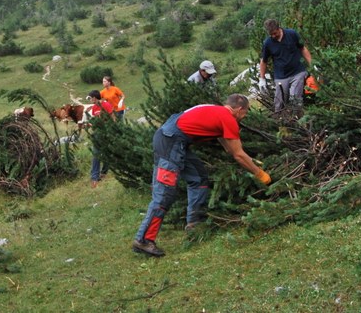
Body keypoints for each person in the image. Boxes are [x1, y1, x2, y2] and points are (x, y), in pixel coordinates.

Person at [132, 94, 271, 257]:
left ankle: (194, 224)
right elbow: (238, 155)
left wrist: (250, 159)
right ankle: (143, 240)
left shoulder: (216, 111)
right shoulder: (228, 119)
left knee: (198, 179)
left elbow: (229, 147)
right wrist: (260, 174)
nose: (244, 117)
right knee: (164, 194)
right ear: (239, 109)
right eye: (245, 112)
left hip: (174, 140)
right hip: (171, 142)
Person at [258, 19, 313, 114]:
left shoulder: (291, 34)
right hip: (281, 75)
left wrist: (312, 65)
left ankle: (298, 119)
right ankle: (280, 122)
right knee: (279, 102)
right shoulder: (268, 43)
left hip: (298, 71)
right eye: (271, 34)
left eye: (275, 33)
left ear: (279, 28)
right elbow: (264, 61)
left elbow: (303, 48)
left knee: (295, 97)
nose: (273, 36)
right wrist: (262, 79)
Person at [81, 89, 114, 188]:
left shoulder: (106, 105)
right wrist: (87, 125)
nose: (90, 100)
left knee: (107, 153)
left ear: (95, 98)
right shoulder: (94, 107)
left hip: (106, 132)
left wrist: (113, 129)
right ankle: (94, 177)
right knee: (96, 154)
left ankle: (103, 172)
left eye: (90, 98)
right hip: (97, 133)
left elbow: (113, 117)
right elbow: (95, 121)